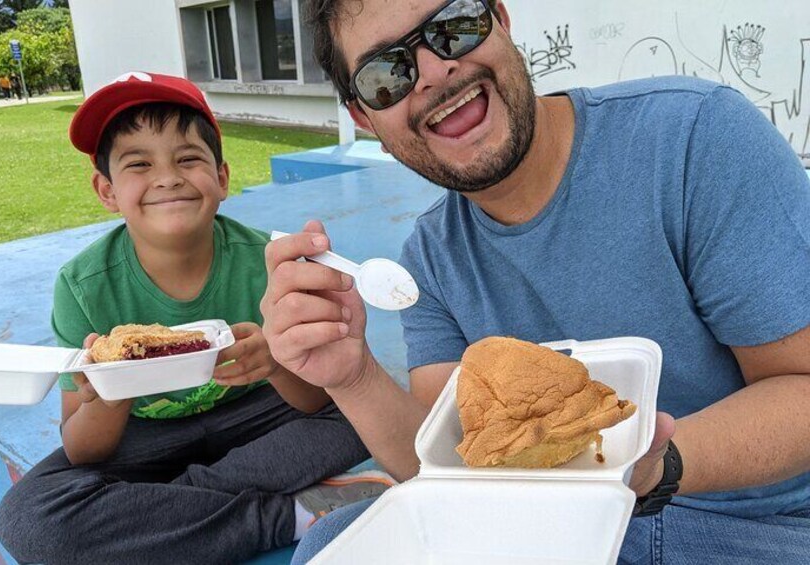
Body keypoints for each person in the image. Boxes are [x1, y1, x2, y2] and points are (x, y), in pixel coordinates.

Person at [261, 0, 810, 562]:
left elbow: (802, 383)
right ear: (364, 118)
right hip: (541, 524)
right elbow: (446, 464)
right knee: (334, 543)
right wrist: (352, 378)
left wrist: (650, 464)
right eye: (385, 72)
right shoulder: (430, 258)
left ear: (499, 19)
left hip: (744, 523)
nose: (432, 71)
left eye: (453, 27)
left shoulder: (694, 139)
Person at [0, 71, 390, 565]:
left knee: (360, 418)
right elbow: (83, 451)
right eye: (138, 163)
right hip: (144, 439)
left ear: (222, 179)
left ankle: (167, 507)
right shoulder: (83, 285)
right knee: (27, 519)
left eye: (188, 159)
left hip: (256, 416)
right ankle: (288, 516)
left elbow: (313, 404)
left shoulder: (265, 262)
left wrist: (275, 362)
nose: (168, 177)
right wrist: (111, 392)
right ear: (107, 190)